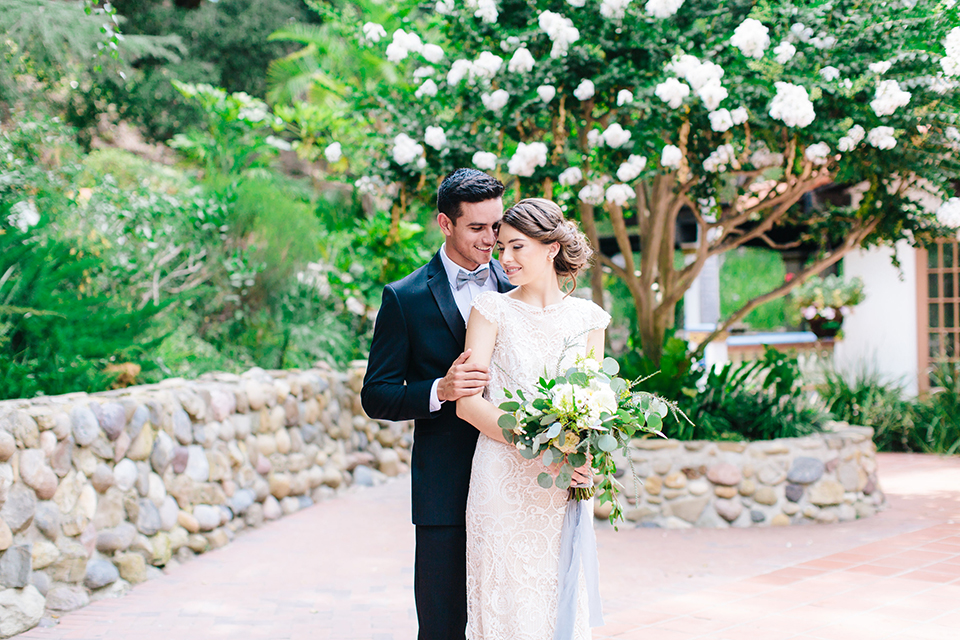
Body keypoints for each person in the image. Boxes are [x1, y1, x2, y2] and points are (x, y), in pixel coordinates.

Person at [360, 169, 514, 640]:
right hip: (443, 487)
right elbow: (376, 394)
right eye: (477, 228)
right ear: (445, 224)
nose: (491, 240)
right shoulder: (404, 298)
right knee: (443, 624)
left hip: (514, 478)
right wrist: (438, 390)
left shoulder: (521, 286)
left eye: (496, 226)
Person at [456, 198, 610, 640]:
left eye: (516, 247)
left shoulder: (588, 319)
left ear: (551, 249)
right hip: (501, 480)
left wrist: (585, 460)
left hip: (561, 484)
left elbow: (594, 406)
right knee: (506, 601)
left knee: (557, 597)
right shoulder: (490, 311)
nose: (504, 259)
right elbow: (468, 403)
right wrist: (541, 440)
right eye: (501, 247)